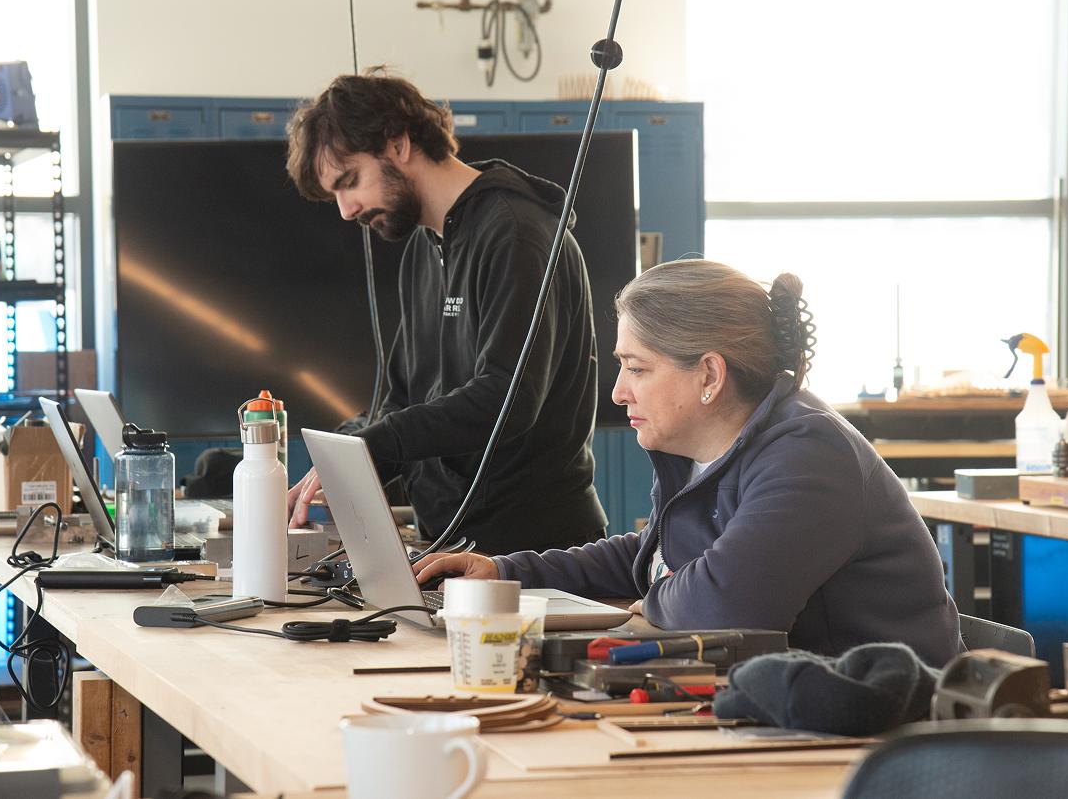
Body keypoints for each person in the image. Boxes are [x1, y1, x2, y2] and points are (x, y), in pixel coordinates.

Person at [414, 260, 964, 667]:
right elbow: (651, 555)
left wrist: (652, 600)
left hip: (880, 731)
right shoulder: (702, 452)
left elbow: (726, 602)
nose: (618, 392)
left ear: (709, 376)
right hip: (795, 705)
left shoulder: (811, 457)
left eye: (637, 368)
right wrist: (506, 571)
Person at [284, 69, 607, 555]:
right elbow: (403, 400)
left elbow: (507, 398)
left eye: (349, 182)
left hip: (533, 551)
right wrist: (341, 462)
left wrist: (383, 442)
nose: (346, 210)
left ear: (398, 145)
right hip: (450, 541)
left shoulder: (515, 234)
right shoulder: (422, 248)